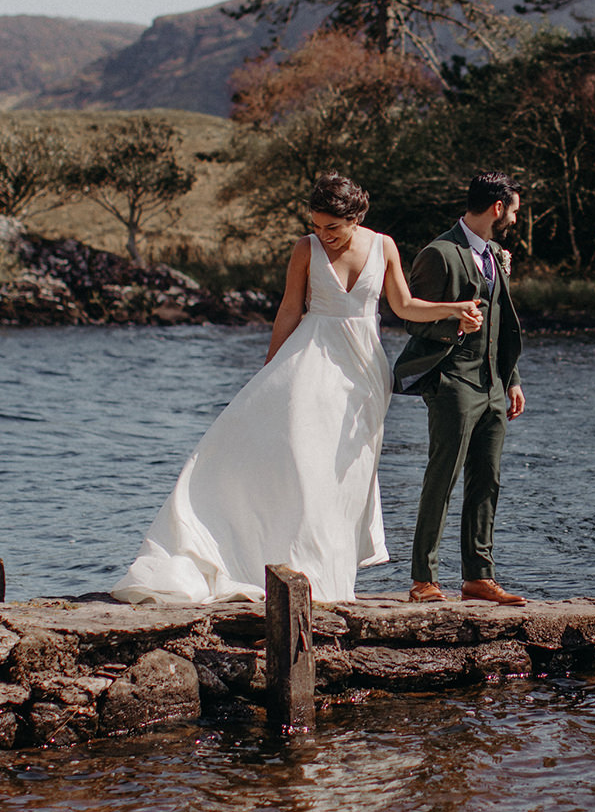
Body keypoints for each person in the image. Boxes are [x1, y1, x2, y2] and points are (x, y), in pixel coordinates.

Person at [112, 173, 481, 605]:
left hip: (362, 371)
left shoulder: (383, 246)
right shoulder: (305, 249)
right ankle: (287, 569)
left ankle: (329, 583)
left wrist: (453, 309)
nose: (324, 235)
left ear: (356, 217)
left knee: (344, 475)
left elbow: (402, 306)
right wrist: (270, 371)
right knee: (303, 467)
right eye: (318, 225)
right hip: (309, 361)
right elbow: (290, 308)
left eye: (333, 228)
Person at [393, 172, 528, 605]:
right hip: (452, 382)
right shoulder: (440, 253)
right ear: (496, 208)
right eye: (513, 210)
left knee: (487, 480)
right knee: (442, 478)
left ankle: (478, 578)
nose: (514, 219)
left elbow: (503, 320)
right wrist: (453, 322)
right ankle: (423, 580)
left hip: (492, 384)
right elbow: (409, 316)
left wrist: (512, 380)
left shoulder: (494, 254)